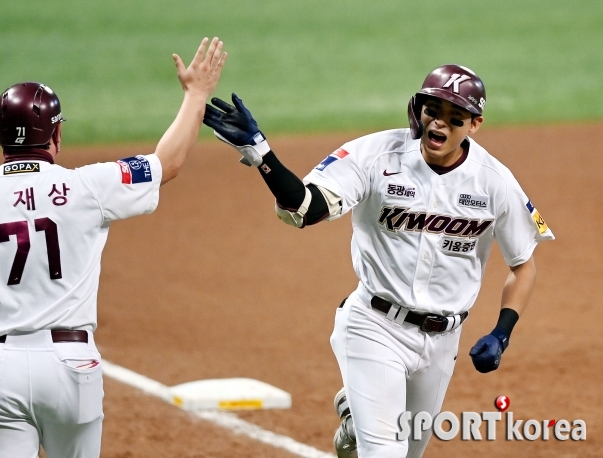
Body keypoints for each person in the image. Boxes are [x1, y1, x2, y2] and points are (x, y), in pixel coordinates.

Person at [202, 64, 554, 457]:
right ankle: (363, 417)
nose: (440, 125)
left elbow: (523, 264)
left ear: (475, 125)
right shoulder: (374, 155)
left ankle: (356, 418)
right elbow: (305, 208)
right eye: (432, 111)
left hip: (443, 341)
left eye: (455, 119)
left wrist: (501, 333)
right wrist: (262, 155)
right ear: (417, 109)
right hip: (375, 326)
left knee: (407, 453)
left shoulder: (494, 181)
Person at [0, 37, 226, 458]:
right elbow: (166, 162)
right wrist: (197, 95)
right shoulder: (88, 186)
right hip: (71, 366)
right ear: (57, 132)